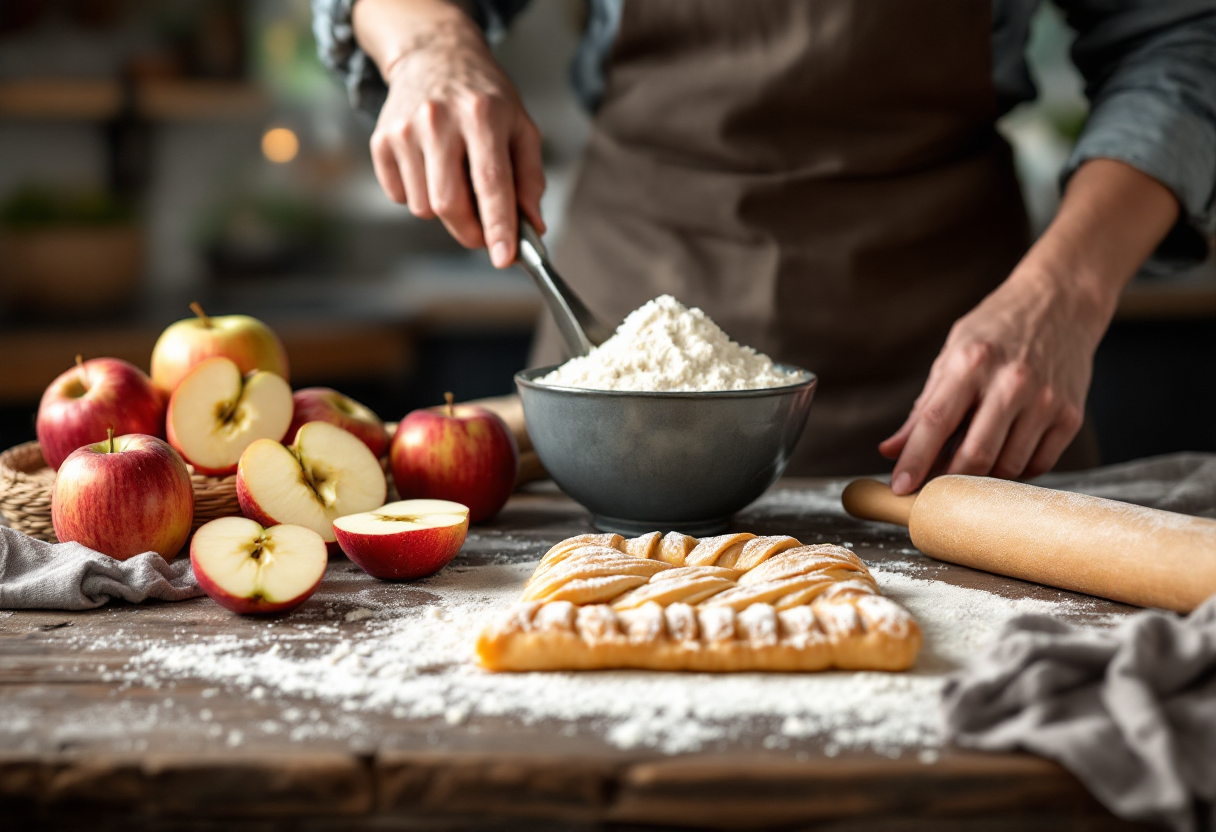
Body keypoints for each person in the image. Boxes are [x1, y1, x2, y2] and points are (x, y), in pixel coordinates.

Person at [314, 0, 1216, 493]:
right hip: (630, 299)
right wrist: (431, 45)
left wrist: (1068, 292)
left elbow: (1181, 39)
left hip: (960, 357)